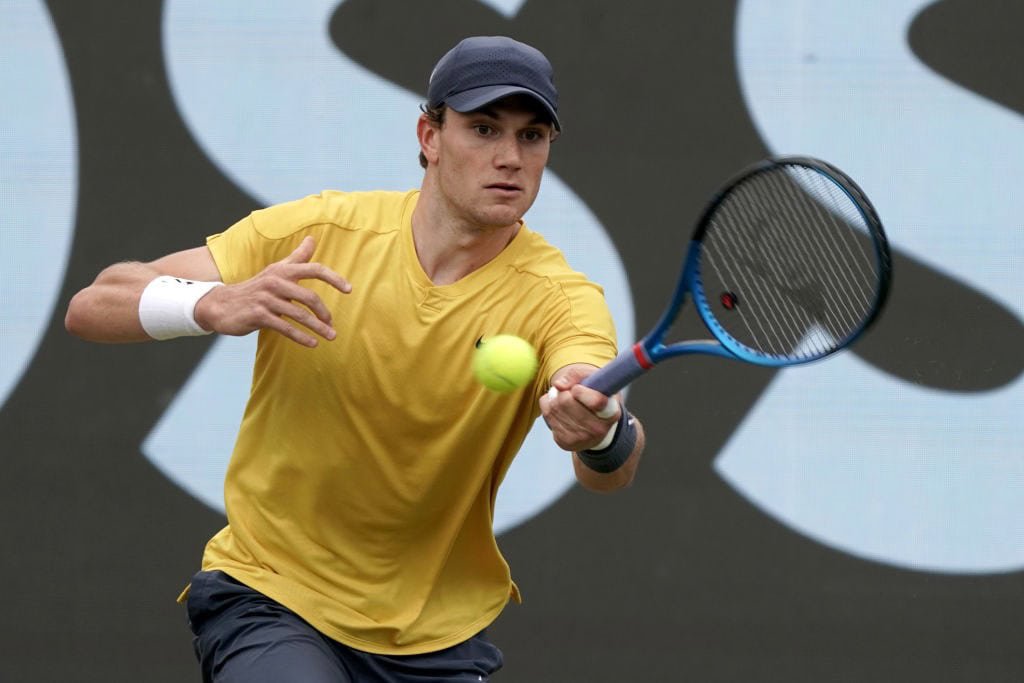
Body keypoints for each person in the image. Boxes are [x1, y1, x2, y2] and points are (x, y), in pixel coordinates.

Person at [65, 35, 645, 682]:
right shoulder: (321, 234)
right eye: (483, 128)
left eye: (531, 136)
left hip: (435, 634)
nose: (509, 157)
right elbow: (94, 304)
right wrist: (211, 304)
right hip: (272, 592)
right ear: (429, 135)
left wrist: (599, 431)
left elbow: (607, 460)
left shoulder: (562, 299)